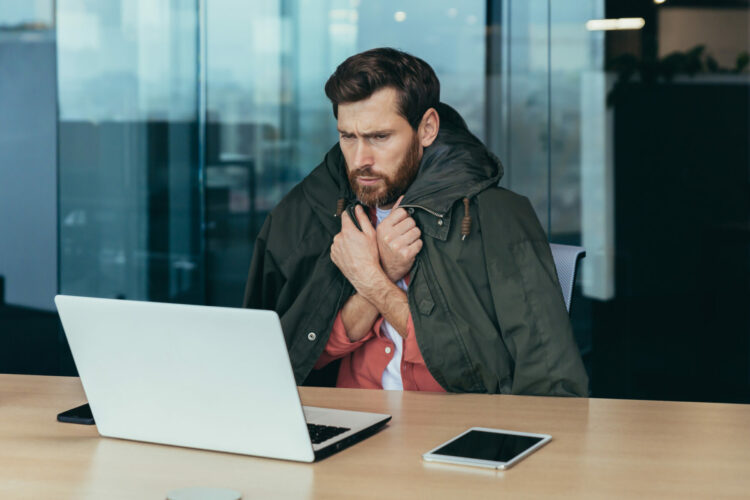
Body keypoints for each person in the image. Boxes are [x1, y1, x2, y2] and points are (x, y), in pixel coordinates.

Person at [243, 47, 588, 396]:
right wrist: (380, 275)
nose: (361, 159)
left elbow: (531, 382)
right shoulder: (308, 213)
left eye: (380, 137)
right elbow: (283, 363)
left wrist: (373, 280)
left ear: (427, 129)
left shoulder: (497, 215)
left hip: (454, 433)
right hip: (346, 429)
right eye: (348, 136)